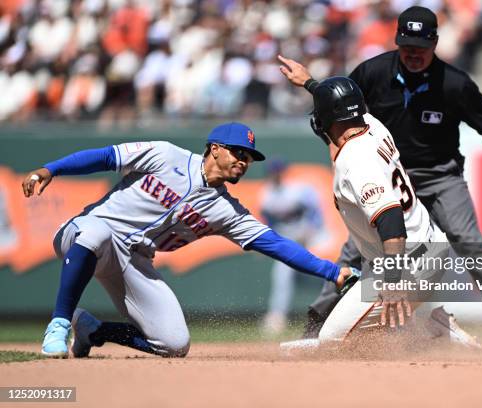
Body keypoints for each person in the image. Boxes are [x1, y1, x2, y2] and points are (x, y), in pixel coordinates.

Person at [279, 6, 482, 353]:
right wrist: (311, 83)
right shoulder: (374, 72)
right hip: (387, 170)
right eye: (406, 45)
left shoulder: (455, 83)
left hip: (438, 174)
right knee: (357, 248)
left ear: (434, 43)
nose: (413, 53)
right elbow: (338, 103)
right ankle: (318, 321)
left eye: (420, 45)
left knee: (468, 242)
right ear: (396, 41)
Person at [22, 122, 356, 358]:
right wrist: (50, 169)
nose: (244, 161)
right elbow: (106, 156)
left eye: (249, 157)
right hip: (84, 233)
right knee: (96, 233)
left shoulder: (227, 210)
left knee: (174, 344)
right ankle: (59, 324)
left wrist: (331, 271)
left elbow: (276, 243)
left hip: (133, 259)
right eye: (238, 152)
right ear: (215, 149)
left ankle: (94, 331)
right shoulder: (166, 156)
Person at [293, 76, 481, 349]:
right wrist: (310, 83)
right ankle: (435, 322)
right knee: (379, 321)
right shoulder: (372, 124)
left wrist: (393, 281)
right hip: (430, 246)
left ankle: (435, 336)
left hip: (405, 265)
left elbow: (390, 219)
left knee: (332, 342)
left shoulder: (355, 161)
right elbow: (343, 107)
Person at [259, 159, 327, 335]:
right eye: (273, 171)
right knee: (282, 274)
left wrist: (313, 229)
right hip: (287, 238)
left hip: (307, 234)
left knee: (326, 271)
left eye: (278, 171)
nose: (276, 174)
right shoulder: (266, 194)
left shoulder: (297, 190)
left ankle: (331, 311)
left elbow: (315, 210)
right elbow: (270, 222)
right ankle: (277, 317)